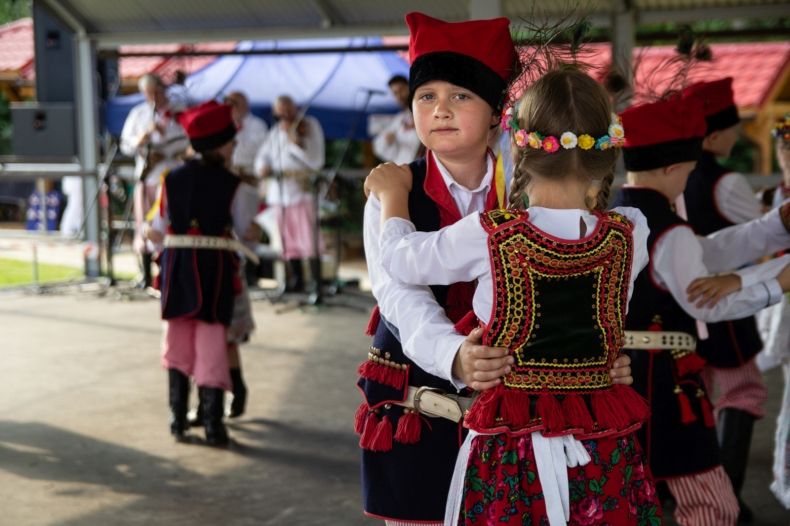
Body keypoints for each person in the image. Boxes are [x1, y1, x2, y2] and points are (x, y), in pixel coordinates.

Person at [356, 13, 635, 526]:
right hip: (425, 406)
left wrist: (598, 357)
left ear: (497, 112)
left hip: (526, 429)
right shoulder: (393, 191)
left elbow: (582, 288)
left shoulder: (539, 187)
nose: (440, 109)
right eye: (425, 96)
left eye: (460, 95)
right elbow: (399, 296)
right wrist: (455, 355)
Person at [612, 94, 790, 526]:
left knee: (633, 494)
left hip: (628, 372)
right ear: (672, 168)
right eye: (688, 172)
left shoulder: (620, 209)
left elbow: (705, 252)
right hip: (663, 382)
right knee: (711, 503)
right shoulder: (668, 229)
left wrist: (774, 225)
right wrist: (776, 285)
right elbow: (706, 300)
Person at [680, 77, 768, 523]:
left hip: (687, 303)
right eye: (732, 125)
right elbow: (757, 238)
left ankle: (707, 495)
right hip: (727, 302)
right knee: (743, 391)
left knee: (702, 395)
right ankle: (730, 496)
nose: (738, 134)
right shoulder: (727, 179)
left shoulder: (680, 173)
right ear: (714, 135)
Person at [154, 100, 246, 447]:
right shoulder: (232, 184)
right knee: (211, 344)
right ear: (221, 145)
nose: (234, 148)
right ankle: (213, 425)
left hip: (177, 269)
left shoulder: (170, 178)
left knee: (176, 339)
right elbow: (241, 227)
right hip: (214, 272)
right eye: (232, 143)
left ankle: (177, 420)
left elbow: (158, 227)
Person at [120, 73, 189, 288]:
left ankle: (172, 270)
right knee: (145, 223)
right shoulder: (139, 113)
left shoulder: (179, 113)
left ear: (163, 89)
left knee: (171, 222)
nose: (153, 97)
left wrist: (167, 152)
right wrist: (143, 137)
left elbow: (189, 143)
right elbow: (126, 145)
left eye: (156, 92)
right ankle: (146, 272)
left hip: (172, 177)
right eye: (148, 93)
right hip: (148, 176)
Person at [252, 95, 325, 292]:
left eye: (288, 110)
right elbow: (262, 156)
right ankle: (296, 281)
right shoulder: (275, 132)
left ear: (295, 108)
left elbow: (316, 160)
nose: (285, 115)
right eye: (281, 111)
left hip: (301, 190)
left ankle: (316, 283)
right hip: (279, 192)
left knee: (308, 238)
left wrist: (296, 143)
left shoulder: (309, 126)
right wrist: (263, 167)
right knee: (287, 240)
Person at [224, 91, 268, 286]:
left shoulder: (257, 125)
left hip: (247, 180)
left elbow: (256, 150)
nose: (232, 107)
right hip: (227, 178)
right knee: (228, 226)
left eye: (236, 103)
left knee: (247, 227)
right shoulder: (225, 124)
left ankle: (251, 274)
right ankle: (232, 270)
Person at [372, 74, 422, 164]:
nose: (399, 95)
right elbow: (379, 147)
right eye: (395, 93)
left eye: (401, 90)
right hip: (405, 169)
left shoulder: (425, 111)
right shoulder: (399, 119)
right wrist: (387, 140)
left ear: (409, 87)